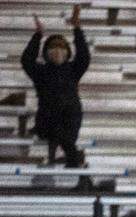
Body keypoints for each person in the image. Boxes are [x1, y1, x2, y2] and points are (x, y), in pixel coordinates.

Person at [21, 6, 89, 168]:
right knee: (54, 127)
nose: (57, 51)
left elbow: (84, 57)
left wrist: (77, 29)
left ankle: (70, 161)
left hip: (69, 118)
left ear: (67, 52)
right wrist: (38, 36)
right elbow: (27, 60)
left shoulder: (73, 70)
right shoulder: (40, 71)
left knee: (66, 130)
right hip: (47, 120)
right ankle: (74, 160)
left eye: (61, 48)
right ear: (46, 53)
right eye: (53, 48)